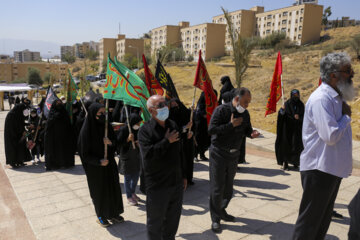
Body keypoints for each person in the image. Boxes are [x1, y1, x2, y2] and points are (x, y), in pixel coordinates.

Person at [292, 52, 355, 240]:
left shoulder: (336, 98)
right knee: (308, 225)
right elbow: (331, 136)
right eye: (347, 70)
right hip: (319, 170)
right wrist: (346, 117)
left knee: (321, 223)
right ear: (333, 75)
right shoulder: (322, 99)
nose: (352, 73)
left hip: (331, 169)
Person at [208, 88, 260, 233]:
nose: (247, 105)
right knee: (217, 188)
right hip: (218, 154)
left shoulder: (246, 114)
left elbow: (246, 129)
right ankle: (215, 219)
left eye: (248, 102)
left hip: (233, 156)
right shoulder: (221, 110)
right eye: (245, 102)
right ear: (236, 99)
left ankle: (222, 210)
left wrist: (251, 133)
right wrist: (230, 125)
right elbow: (211, 130)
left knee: (228, 189)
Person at [138, 95, 187, 240]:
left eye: (165, 104)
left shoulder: (172, 124)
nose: (164, 107)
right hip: (158, 185)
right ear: (151, 110)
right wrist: (166, 141)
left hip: (176, 182)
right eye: (160, 105)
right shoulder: (145, 131)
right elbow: (148, 157)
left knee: (173, 220)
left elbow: (180, 152)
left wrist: (184, 176)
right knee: (155, 222)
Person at [78, 102, 124, 227]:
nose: (104, 115)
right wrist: (98, 162)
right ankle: (101, 215)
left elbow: (116, 142)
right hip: (95, 169)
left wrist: (110, 143)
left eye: (105, 112)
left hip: (109, 164)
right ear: (93, 114)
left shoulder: (106, 126)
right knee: (99, 191)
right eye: (101, 113)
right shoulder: (86, 131)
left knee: (113, 188)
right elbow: (84, 154)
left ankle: (114, 213)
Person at [275, 89, 305, 170]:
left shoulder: (301, 105)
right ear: (291, 96)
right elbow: (282, 116)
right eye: (294, 96)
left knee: (296, 146)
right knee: (286, 146)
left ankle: (296, 162)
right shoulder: (287, 104)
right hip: (287, 130)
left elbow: (305, 116)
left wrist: (299, 118)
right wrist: (282, 111)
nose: (296, 97)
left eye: (297, 96)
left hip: (297, 130)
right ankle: (286, 163)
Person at [117, 113, 142, 206]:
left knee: (136, 176)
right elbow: (118, 143)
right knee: (128, 177)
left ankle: (132, 192)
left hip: (135, 155)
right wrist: (127, 140)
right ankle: (128, 196)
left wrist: (138, 142)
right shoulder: (124, 129)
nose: (138, 125)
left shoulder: (137, 129)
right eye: (138, 123)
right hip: (126, 156)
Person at [169, 98, 195, 185]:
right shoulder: (170, 116)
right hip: (178, 141)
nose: (174, 107)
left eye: (175, 104)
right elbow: (173, 129)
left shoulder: (187, 113)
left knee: (188, 159)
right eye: (171, 105)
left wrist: (191, 132)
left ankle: (189, 179)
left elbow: (193, 125)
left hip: (188, 140)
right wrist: (185, 128)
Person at [44, 100, 76, 170]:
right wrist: (55, 116)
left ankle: (65, 163)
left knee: (64, 150)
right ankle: (55, 164)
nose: (59, 105)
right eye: (57, 103)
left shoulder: (64, 112)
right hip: (54, 138)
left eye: (60, 103)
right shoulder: (51, 114)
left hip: (65, 137)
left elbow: (68, 125)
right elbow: (48, 126)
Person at [4, 103, 32, 167]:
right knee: (13, 149)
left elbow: (20, 123)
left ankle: (20, 161)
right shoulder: (11, 115)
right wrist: (21, 131)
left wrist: (27, 125)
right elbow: (12, 127)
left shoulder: (18, 114)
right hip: (12, 136)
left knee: (21, 148)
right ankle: (13, 163)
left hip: (19, 135)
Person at [194, 92, 211, 161]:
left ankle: (202, 154)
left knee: (205, 140)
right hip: (199, 124)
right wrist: (204, 114)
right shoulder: (200, 104)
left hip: (206, 125)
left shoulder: (209, 104)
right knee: (198, 140)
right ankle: (195, 155)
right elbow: (198, 112)